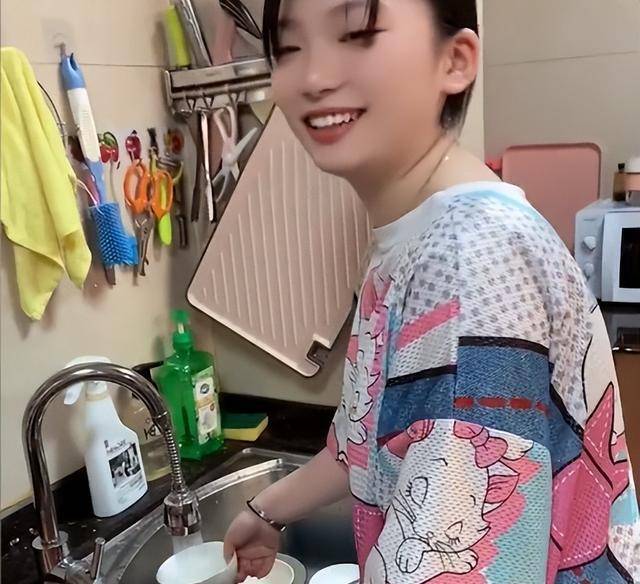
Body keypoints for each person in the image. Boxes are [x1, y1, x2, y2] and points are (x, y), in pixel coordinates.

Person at [224, 1, 640, 582]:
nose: (313, 76)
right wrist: (267, 510)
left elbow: (459, 560)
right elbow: (366, 438)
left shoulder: (469, 260)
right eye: (289, 48)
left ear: (456, 60)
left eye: (357, 33)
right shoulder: (415, 239)